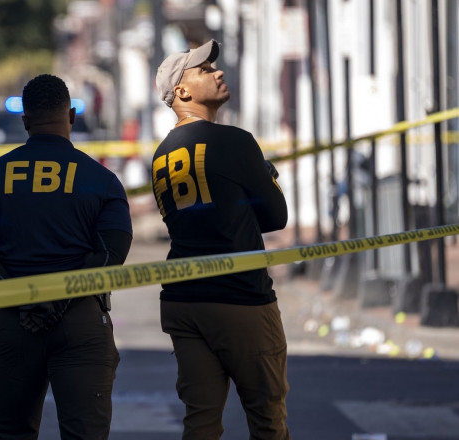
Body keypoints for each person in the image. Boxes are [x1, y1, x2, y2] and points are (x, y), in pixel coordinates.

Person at [0, 74, 133, 439]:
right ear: (70, 115)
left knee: (11, 433)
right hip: (82, 321)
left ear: (25, 121)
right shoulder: (100, 180)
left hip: (16, 322)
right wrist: (63, 299)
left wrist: (22, 298)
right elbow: (112, 252)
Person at [151, 39, 291, 439]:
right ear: (183, 91)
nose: (218, 71)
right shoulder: (234, 141)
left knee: (201, 421)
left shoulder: (161, 154)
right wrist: (267, 174)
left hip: (183, 299)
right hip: (240, 298)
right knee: (267, 417)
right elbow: (276, 217)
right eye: (205, 70)